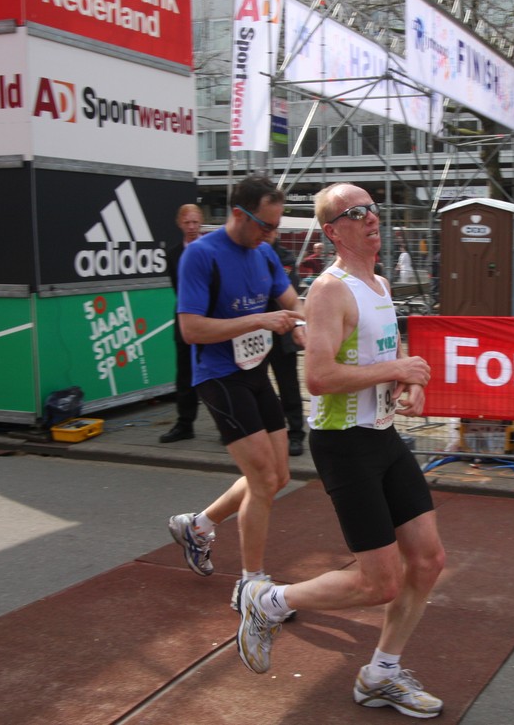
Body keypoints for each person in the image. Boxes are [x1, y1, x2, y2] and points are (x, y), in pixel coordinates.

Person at [234, 182, 447, 719]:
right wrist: (397, 368)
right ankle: (268, 601)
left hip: (383, 435)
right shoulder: (329, 291)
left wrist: (407, 382)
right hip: (345, 443)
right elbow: (320, 376)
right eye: (357, 212)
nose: (372, 217)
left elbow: (385, 350)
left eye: (373, 208)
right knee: (380, 582)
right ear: (332, 231)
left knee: (428, 561)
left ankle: (381, 675)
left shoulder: (378, 282)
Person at [166, 174, 305, 600]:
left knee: (278, 476)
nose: (272, 234)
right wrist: (259, 319)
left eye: (277, 226)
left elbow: (292, 302)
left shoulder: (264, 254)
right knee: (262, 479)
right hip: (217, 376)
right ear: (239, 215)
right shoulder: (201, 255)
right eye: (266, 225)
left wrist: (304, 326)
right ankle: (252, 586)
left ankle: (198, 526)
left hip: (254, 372)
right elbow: (191, 329)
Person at [160, 204, 204, 444]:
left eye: (195, 222)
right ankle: (185, 423)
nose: (191, 227)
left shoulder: (211, 250)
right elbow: (178, 289)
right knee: (185, 374)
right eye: (187, 223)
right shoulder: (173, 254)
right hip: (185, 320)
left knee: (216, 374)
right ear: (180, 224)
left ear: (201, 222)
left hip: (212, 320)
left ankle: (226, 425)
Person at [268, 235, 307, 457]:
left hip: (282, 332)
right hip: (254, 330)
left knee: (288, 385)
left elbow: (286, 291)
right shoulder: (245, 253)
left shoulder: (284, 257)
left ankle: (295, 433)